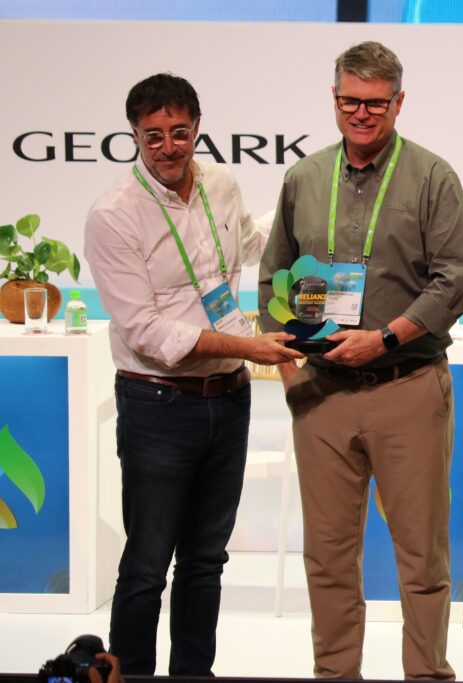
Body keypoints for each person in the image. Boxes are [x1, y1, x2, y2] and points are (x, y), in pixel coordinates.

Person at [257, 41, 463, 680]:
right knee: (327, 557)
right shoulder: (304, 178)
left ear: (399, 103)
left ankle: (426, 674)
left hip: (406, 384)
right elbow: (273, 279)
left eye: (376, 103)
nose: (362, 113)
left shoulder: (432, 177)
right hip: (320, 392)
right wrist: (291, 372)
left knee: (422, 558)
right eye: (350, 100)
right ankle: (335, 675)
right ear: (334, 99)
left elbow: (454, 279)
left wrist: (385, 339)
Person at [84, 74, 302, 675]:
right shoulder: (113, 215)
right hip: (157, 403)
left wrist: (299, 209)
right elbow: (146, 331)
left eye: (179, 133)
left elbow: (250, 245)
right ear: (134, 136)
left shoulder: (220, 183)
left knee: (206, 561)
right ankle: (130, 675)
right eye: (153, 136)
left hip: (228, 400)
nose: (168, 147)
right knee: (147, 564)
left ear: (198, 129)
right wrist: (247, 345)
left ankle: (193, 675)